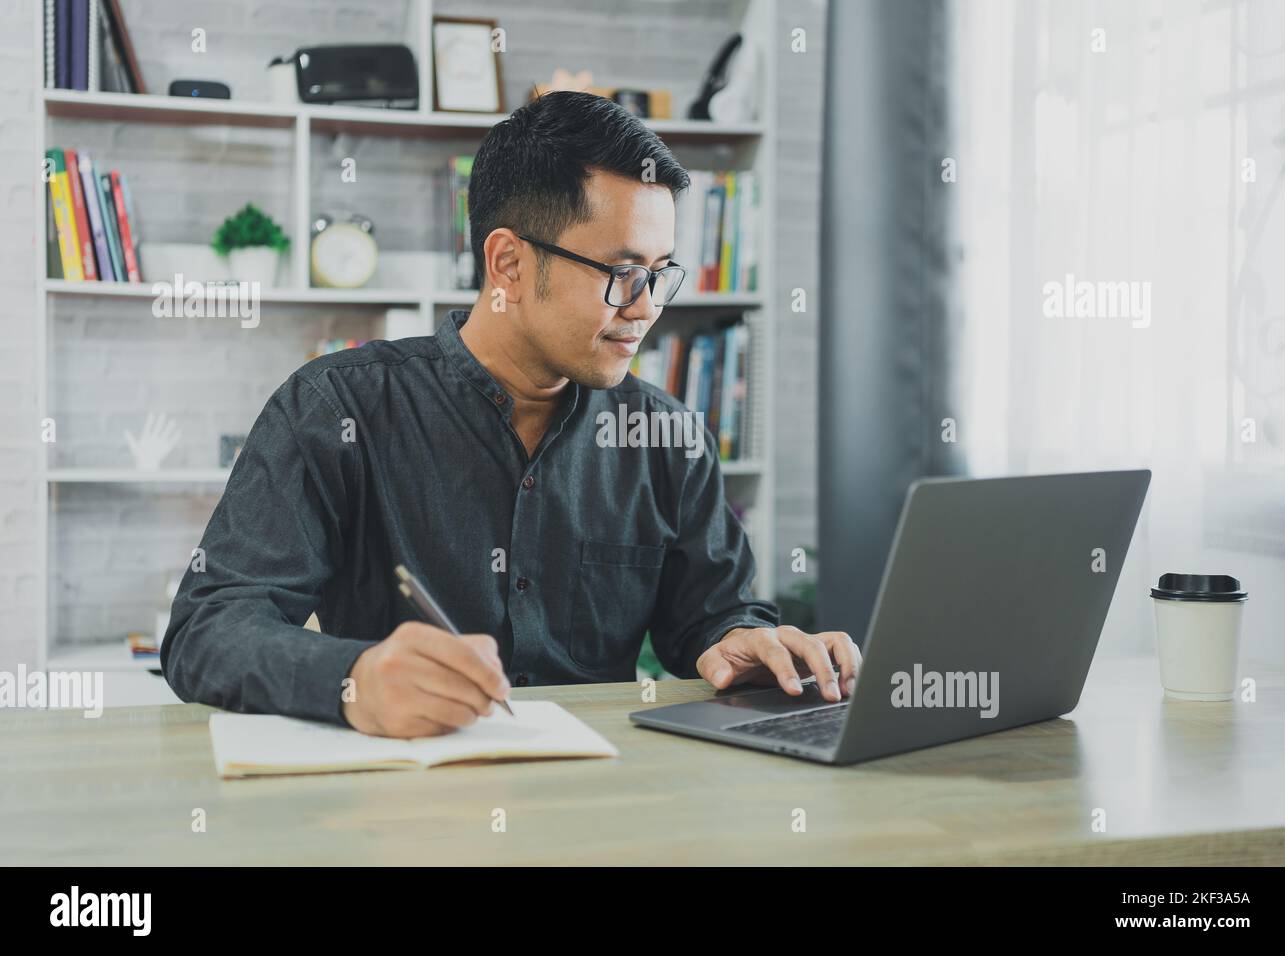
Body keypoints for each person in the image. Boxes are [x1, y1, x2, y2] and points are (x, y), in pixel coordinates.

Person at [162, 91, 859, 738]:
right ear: (509, 264)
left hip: (614, 808)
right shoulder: (337, 409)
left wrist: (737, 640)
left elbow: (711, 619)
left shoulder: (670, 438)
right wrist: (352, 680)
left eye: (661, 272)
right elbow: (207, 630)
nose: (646, 306)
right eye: (623, 273)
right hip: (403, 812)